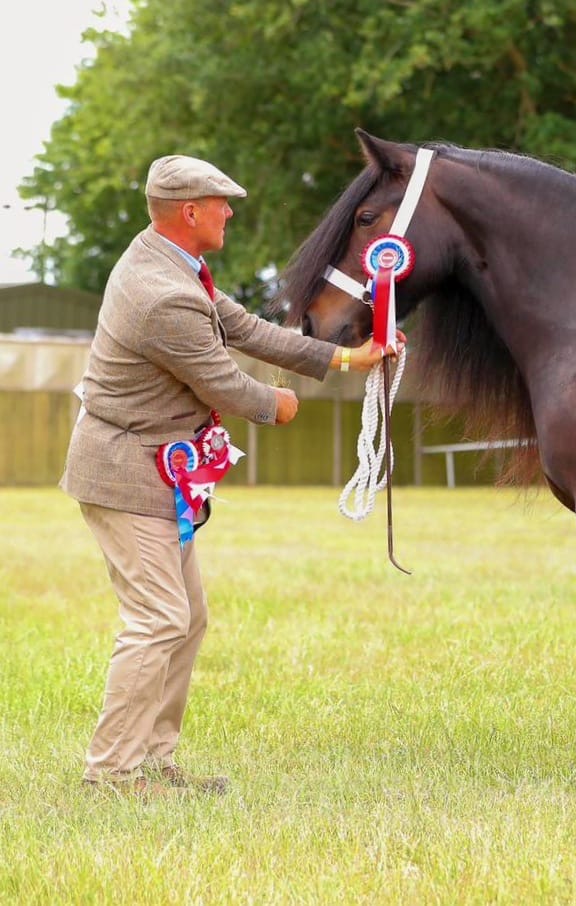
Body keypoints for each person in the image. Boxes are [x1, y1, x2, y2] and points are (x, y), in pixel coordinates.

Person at [61, 154, 400, 799]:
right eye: (222, 202)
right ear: (190, 212)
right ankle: (111, 774)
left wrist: (346, 358)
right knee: (159, 618)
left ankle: (152, 763)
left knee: (185, 619)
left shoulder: (164, 259)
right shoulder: (161, 295)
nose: (231, 211)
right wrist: (281, 404)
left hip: (153, 469)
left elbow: (242, 328)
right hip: (126, 473)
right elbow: (222, 380)